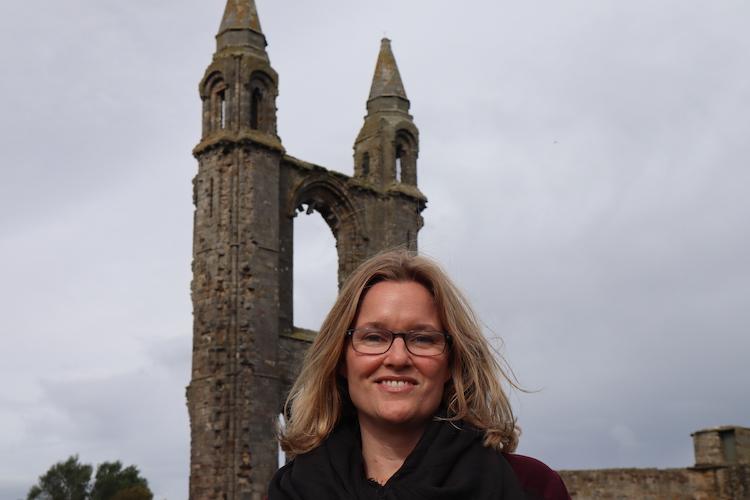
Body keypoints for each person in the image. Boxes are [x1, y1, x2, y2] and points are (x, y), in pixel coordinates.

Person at [270, 250, 570, 499]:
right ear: (340, 359)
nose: (398, 357)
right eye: (374, 337)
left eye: (423, 339)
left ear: (452, 364)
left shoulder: (530, 487)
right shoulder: (292, 492)